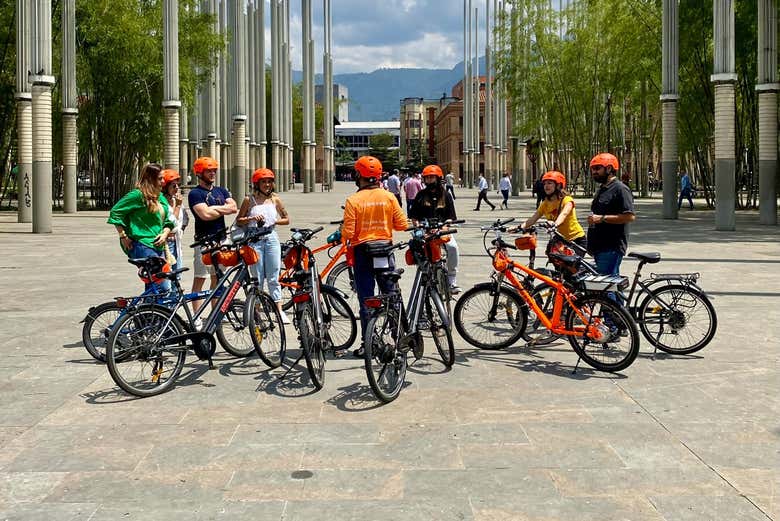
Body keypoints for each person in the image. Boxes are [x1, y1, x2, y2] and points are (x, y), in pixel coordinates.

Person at [342, 155, 408, 356]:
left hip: (363, 252)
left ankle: (368, 343)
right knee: (391, 293)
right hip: (384, 250)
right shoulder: (388, 197)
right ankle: (400, 338)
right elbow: (402, 224)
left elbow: (349, 233)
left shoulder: (353, 200)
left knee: (366, 298)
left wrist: (342, 232)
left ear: (358, 175)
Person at [107, 162, 175, 292]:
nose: (163, 181)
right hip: (143, 245)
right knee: (162, 286)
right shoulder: (137, 195)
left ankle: (146, 311)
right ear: (150, 179)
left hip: (158, 245)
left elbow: (169, 220)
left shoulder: (160, 197)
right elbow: (116, 212)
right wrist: (123, 236)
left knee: (154, 287)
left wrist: (165, 233)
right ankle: (145, 311)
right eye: (160, 178)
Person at [236, 167, 291, 323]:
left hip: (271, 236)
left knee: (274, 276)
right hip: (254, 238)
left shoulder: (275, 199)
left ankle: (279, 311)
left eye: (269, 182)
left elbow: (286, 219)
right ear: (257, 183)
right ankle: (257, 312)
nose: (267, 184)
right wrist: (251, 219)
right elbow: (239, 220)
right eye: (264, 182)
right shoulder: (249, 200)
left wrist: (274, 221)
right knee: (257, 278)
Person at [188, 156, 238, 323]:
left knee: (218, 278)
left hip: (222, 240)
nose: (212, 173)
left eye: (214, 170)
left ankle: (216, 313)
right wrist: (222, 209)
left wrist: (214, 208)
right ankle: (197, 316)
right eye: (209, 171)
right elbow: (205, 215)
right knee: (200, 278)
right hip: (204, 242)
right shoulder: (195, 193)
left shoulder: (221, 190)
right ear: (199, 173)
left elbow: (234, 207)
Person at [409, 164, 461, 294]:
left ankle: (451, 280)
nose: (429, 181)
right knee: (421, 254)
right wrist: (418, 228)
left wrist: (444, 227)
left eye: (432, 178)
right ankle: (424, 280)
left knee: (453, 247)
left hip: (441, 230)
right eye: (427, 178)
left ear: (438, 178)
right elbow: (414, 217)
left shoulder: (446, 195)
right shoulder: (420, 195)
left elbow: (451, 217)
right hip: (425, 231)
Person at [587, 153, 636, 276]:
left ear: (609, 169)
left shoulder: (620, 189)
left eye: (597, 168)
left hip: (611, 247)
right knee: (608, 287)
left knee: (605, 289)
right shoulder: (602, 189)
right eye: (592, 169)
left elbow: (629, 216)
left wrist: (602, 218)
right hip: (599, 246)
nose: (594, 172)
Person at [521, 171, 586, 250]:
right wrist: (520, 227)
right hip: (560, 240)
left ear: (558, 185)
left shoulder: (567, 200)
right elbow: (533, 219)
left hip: (576, 239)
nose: (546, 186)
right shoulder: (545, 204)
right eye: (544, 184)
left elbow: (564, 214)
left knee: (571, 262)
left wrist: (555, 224)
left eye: (549, 183)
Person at [161, 169, 189, 273]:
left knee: (177, 275)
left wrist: (180, 231)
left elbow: (185, 219)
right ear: (165, 187)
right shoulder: (161, 203)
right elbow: (171, 221)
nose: (177, 188)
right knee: (167, 276)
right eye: (173, 186)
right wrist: (177, 206)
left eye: (178, 185)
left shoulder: (177, 201)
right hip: (166, 244)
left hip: (176, 241)